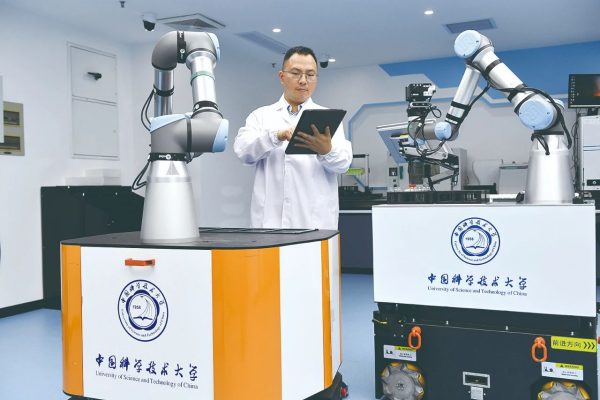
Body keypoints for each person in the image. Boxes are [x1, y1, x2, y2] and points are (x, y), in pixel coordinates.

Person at [234, 46, 352, 230]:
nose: (303, 80)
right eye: (296, 73)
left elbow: (343, 164)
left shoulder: (328, 118)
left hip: (315, 224)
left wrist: (326, 150)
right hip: (270, 224)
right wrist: (275, 136)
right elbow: (244, 152)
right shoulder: (261, 116)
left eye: (310, 75)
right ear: (282, 77)